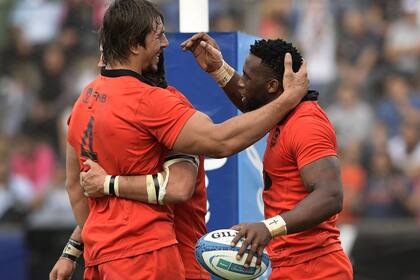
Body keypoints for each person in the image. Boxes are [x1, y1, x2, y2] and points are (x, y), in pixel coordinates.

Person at [55, 0, 309, 279]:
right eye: (158, 35)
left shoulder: (83, 101)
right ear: (133, 45)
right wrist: (288, 100)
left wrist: (81, 245)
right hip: (147, 256)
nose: (165, 43)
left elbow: (76, 186)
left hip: (100, 259)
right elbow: (205, 158)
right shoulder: (155, 103)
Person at [181, 33, 353, 279]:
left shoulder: (307, 124)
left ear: (272, 86)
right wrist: (218, 68)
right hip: (289, 266)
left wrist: (268, 228)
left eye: (248, 78)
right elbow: (254, 105)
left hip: (317, 269)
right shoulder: (283, 114)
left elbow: (330, 196)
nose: (242, 83)